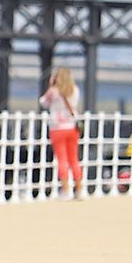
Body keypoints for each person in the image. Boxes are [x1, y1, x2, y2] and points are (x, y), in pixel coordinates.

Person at [39, 67, 83, 199]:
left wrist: (50, 85)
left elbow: (43, 102)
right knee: (74, 159)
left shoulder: (54, 91)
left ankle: (66, 190)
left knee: (62, 160)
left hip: (57, 128)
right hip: (72, 127)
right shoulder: (75, 90)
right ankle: (79, 189)